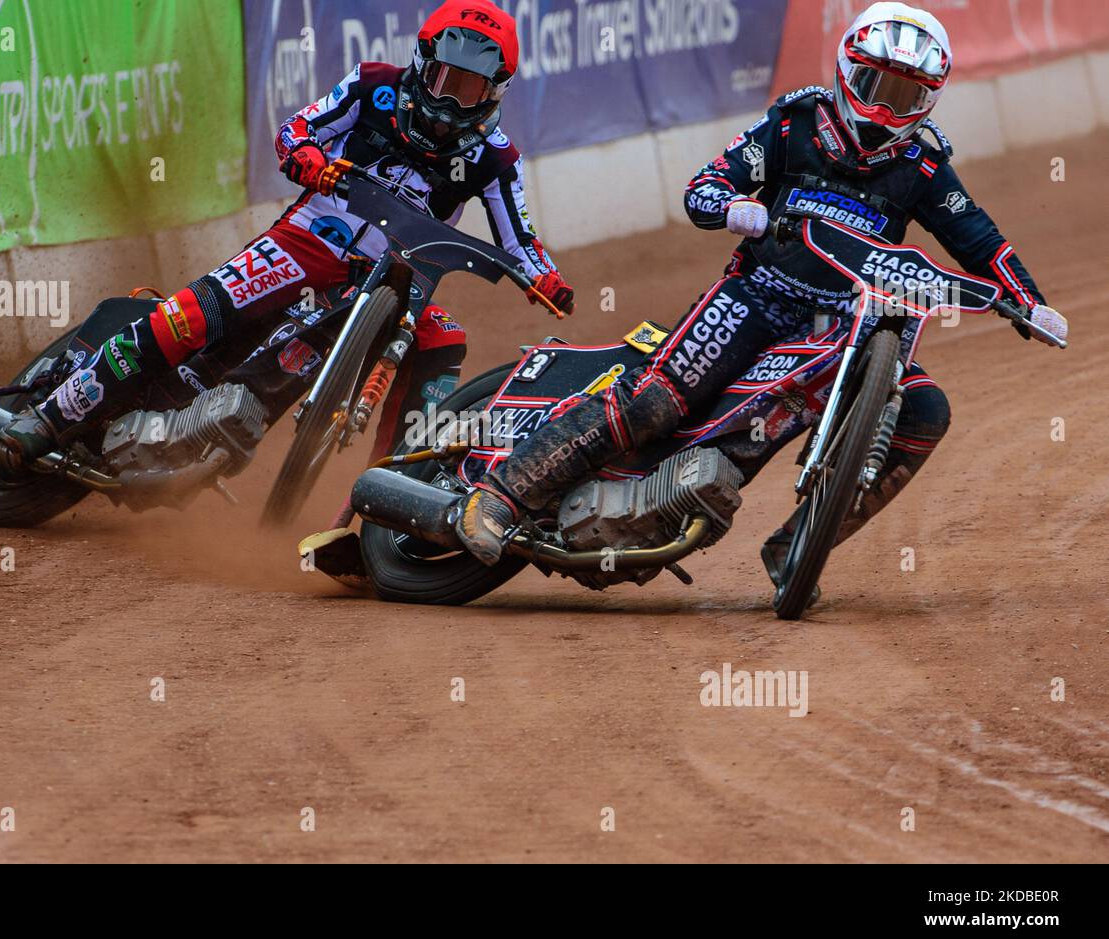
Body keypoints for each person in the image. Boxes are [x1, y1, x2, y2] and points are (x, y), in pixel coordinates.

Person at [453, 1, 1068, 586]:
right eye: (876, 84)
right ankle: (500, 497)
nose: (884, 108)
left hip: (844, 323)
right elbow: (704, 188)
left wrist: (1029, 303)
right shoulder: (794, 123)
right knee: (660, 400)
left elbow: (981, 241)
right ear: (848, 70)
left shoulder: (925, 167)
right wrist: (735, 208)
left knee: (927, 410)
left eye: (904, 95)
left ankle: (800, 542)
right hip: (756, 295)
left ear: (927, 101)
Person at [0, 0, 574, 469]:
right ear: (422, 64)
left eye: (469, 89)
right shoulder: (372, 84)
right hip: (309, 239)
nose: (450, 100)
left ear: (495, 92)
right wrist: (306, 160)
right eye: (444, 79)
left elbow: (520, 239)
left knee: (442, 339)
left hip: (395, 279)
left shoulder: (497, 159)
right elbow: (295, 130)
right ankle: (48, 417)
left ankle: (393, 495)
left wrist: (544, 278)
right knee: (189, 317)